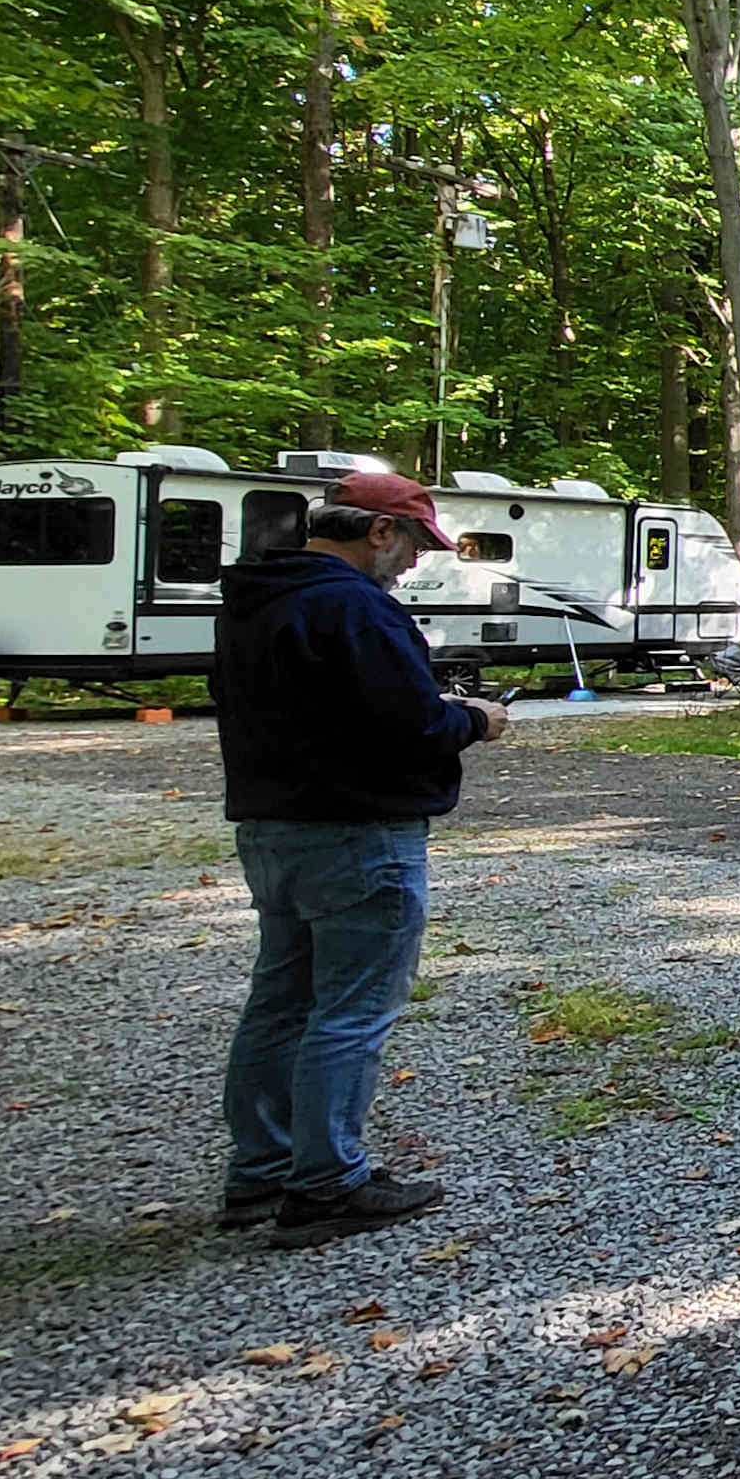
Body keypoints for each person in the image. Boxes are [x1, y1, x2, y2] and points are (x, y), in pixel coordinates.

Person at [212, 470, 507, 1249]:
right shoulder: (351, 604)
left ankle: (263, 1172)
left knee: (281, 1001)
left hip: (273, 826)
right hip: (359, 831)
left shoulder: (254, 599)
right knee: (351, 1010)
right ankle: (327, 1184)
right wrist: (474, 719)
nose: (412, 563)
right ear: (378, 532)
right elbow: (408, 726)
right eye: (411, 545)